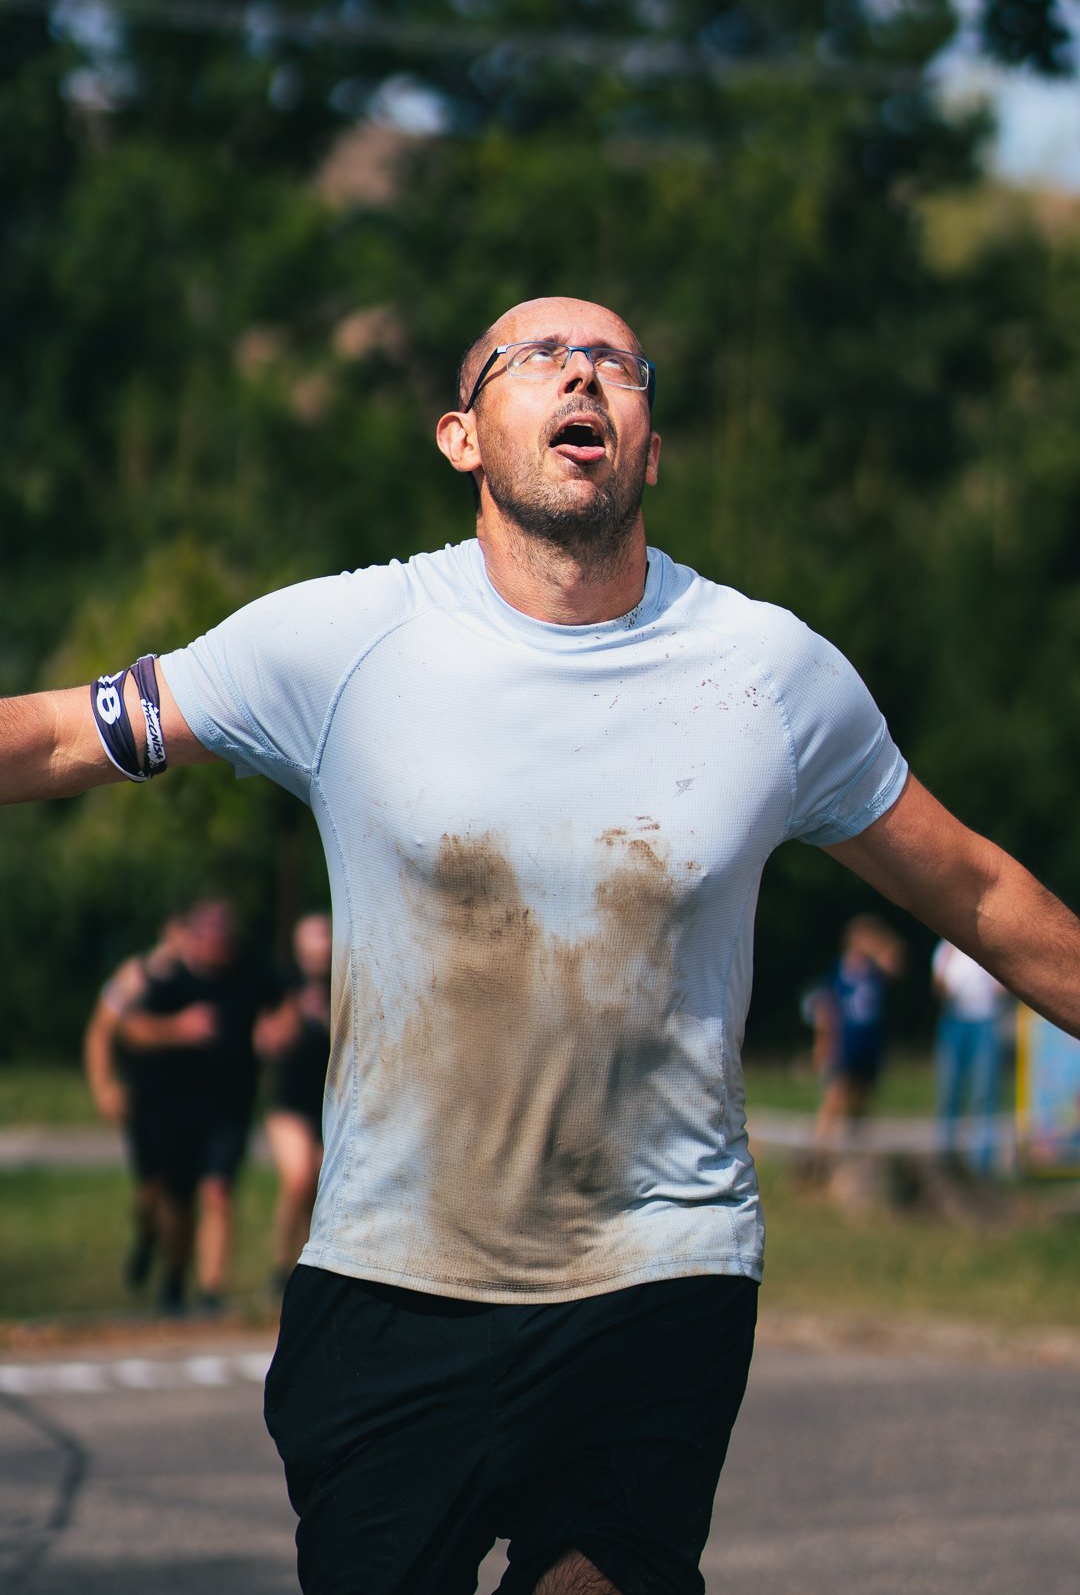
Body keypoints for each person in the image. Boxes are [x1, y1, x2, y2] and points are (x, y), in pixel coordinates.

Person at [4, 294, 1080, 1595]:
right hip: (393, 1275)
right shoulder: (341, 644)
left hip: (657, 1267)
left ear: (650, 446)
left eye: (618, 364)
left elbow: (976, 891)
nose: (585, 374)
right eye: (542, 357)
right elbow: (66, 733)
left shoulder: (768, 674)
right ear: (462, 435)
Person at [116, 898, 282, 1314]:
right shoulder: (168, 981)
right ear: (193, 937)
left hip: (230, 1105)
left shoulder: (251, 973)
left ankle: (210, 1291)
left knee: (217, 1191)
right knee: (175, 1200)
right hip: (174, 1107)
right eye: (207, 936)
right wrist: (177, 1028)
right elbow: (130, 1030)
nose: (216, 944)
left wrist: (276, 1031)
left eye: (222, 936)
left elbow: (287, 1002)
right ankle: (172, 1277)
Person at [82, 915, 186, 1291]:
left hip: (191, 1100)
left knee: (183, 1191)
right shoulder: (136, 976)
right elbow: (101, 1031)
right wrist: (104, 1086)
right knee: (152, 1188)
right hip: (147, 1096)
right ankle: (146, 1238)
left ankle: (176, 1282)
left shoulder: (211, 974)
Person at [255, 911, 333, 1293]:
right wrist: (296, 1014)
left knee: (322, 1185)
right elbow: (266, 1040)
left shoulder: (347, 982)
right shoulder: (283, 983)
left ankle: (311, 1266)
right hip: (290, 1101)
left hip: (331, 1102)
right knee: (299, 1176)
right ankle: (279, 1265)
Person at [810, 914, 905, 1143]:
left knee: (862, 1100)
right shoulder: (839, 970)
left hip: (869, 1043)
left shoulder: (874, 969)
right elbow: (826, 1008)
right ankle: (818, 1151)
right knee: (836, 1095)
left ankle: (855, 1150)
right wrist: (822, 1044)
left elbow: (896, 960)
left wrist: (877, 944)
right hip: (844, 1042)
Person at [931, 938, 1012, 1176]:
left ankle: (982, 1166)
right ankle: (946, 1161)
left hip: (986, 1019)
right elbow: (938, 989)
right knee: (949, 1091)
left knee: (985, 1092)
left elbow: (1005, 986)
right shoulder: (945, 949)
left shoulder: (989, 946)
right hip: (954, 1019)